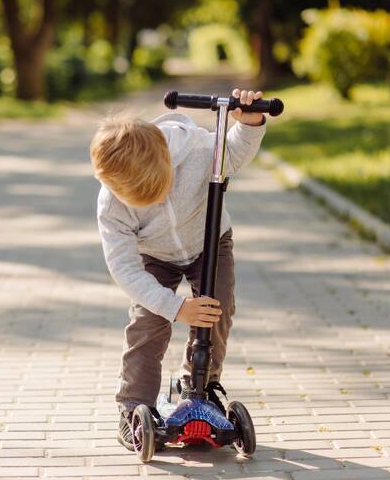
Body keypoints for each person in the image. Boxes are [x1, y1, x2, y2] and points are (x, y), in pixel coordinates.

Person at [89, 88, 268, 450]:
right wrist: (174, 308)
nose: (155, 201)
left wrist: (249, 124)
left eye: (159, 189)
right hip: (154, 255)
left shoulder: (196, 149)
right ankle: (132, 405)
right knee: (148, 325)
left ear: (167, 160)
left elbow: (231, 153)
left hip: (208, 239)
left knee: (215, 311)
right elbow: (125, 268)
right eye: (143, 200)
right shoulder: (112, 202)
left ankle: (200, 386)